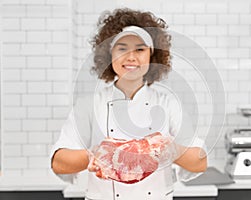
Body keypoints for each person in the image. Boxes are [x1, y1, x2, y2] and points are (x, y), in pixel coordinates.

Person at [51, 8, 207, 200]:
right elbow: (58, 162)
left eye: (140, 49)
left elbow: (199, 162)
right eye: (122, 48)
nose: (131, 57)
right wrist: (92, 156)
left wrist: (172, 150)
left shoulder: (168, 104)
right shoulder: (89, 104)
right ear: (109, 55)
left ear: (152, 56)